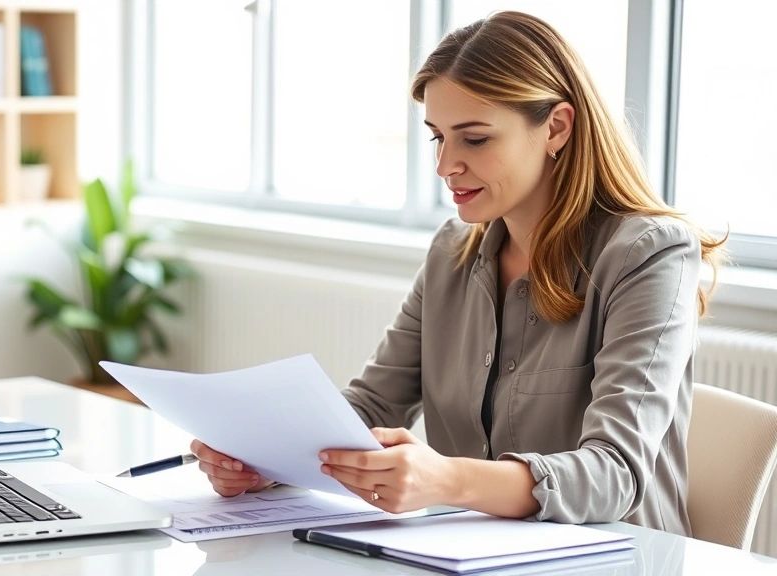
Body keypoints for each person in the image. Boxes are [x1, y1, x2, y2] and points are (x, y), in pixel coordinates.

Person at [189, 10, 726, 536]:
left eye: (474, 138)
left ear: (556, 128)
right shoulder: (453, 252)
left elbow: (615, 474)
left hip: (619, 556)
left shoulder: (648, 254)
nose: (446, 165)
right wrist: (266, 458)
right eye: (437, 137)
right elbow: (372, 404)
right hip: (468, 554)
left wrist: (446, 478)